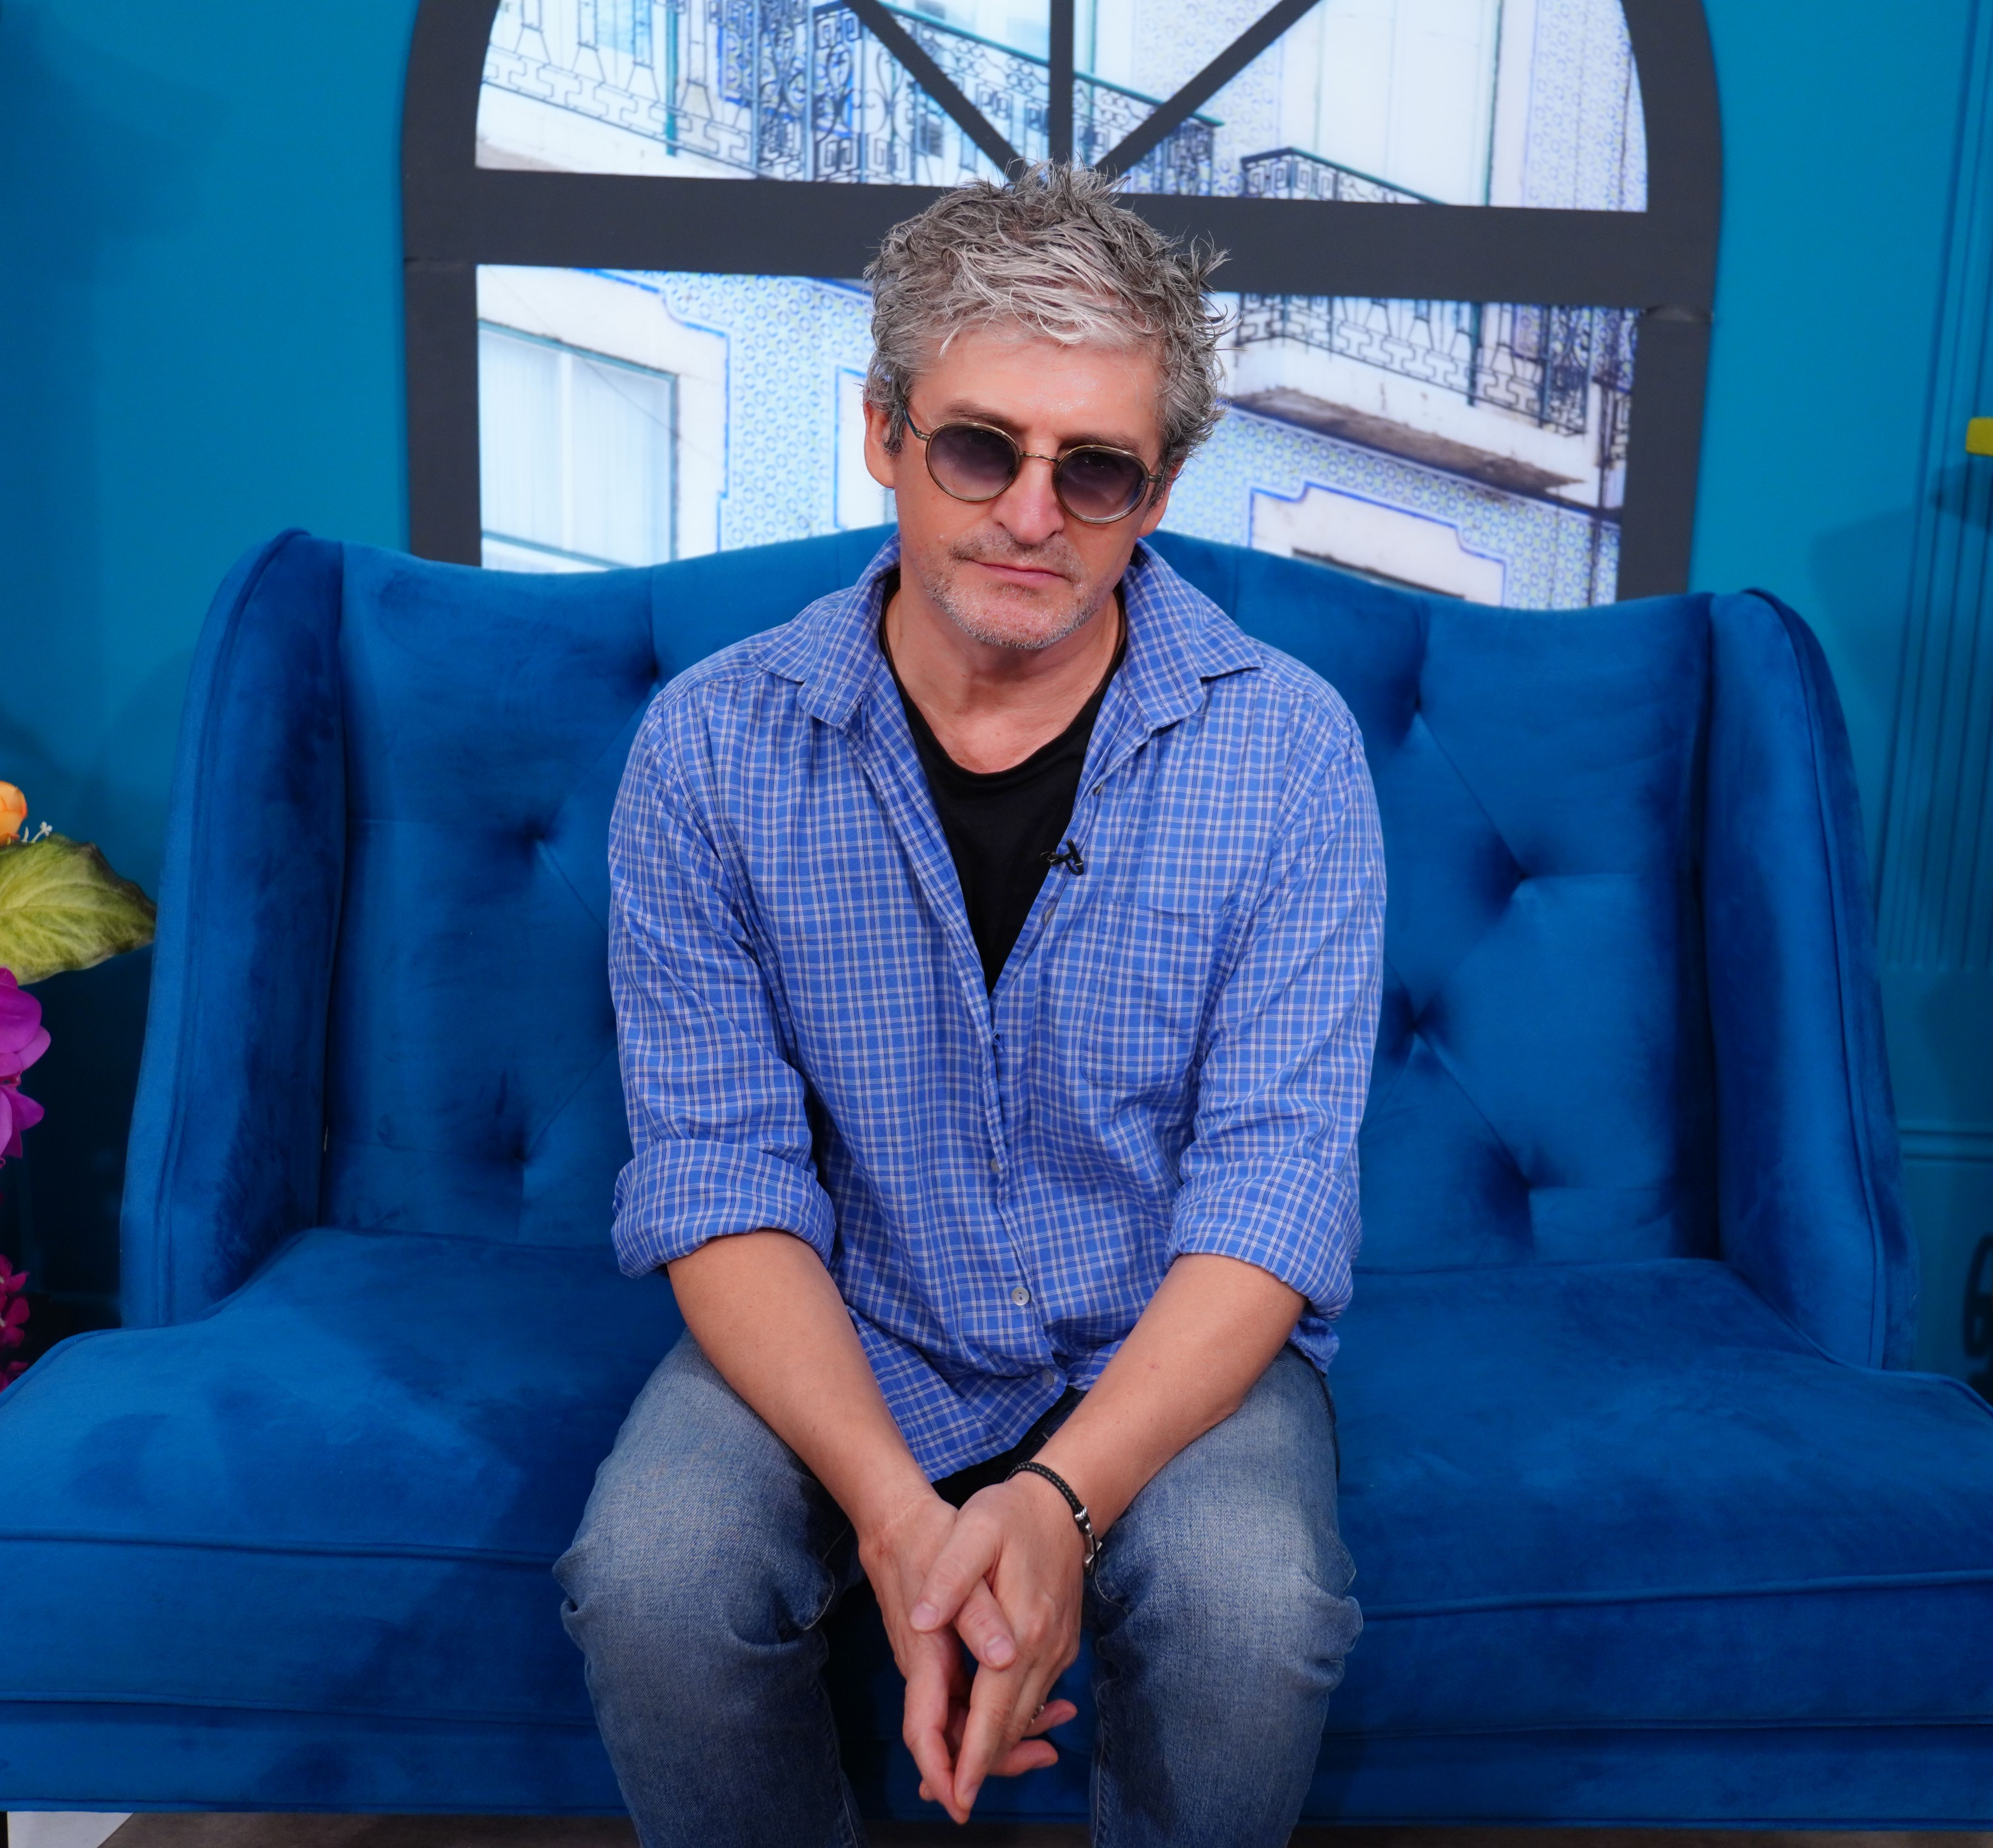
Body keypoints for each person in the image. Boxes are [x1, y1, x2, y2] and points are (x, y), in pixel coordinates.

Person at [557, 164, 1383, 1848]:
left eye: (1096, 469)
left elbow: (1274, 1193)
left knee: (1254, 1608)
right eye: (981, 448)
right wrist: (895, 1516)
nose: (1031, 513)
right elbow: (720, 1178)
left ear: (1158, 493)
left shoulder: (1292, 751)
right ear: (885, 434)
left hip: (1160, 1336)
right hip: (851, 1319)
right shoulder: (709, 746)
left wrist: (1058, 1505)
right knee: (651, 1575)